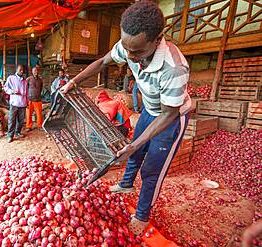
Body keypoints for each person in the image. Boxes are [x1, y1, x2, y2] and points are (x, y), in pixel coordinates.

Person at [61, 0, 191, 235]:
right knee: (134, 153)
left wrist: (136, 142)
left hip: (170, 118)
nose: (130, 56)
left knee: (151, 169)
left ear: (157, 38)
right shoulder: (129, 46)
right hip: (150, 111)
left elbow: (169, 113)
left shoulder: (174, 68)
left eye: (138, 51)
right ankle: (125, 185)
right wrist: (74, 81)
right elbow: (102, 61)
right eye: (127, 49)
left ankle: (142, 215)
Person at [4, 64, 28, 143]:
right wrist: (12, 92)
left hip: (23, 104)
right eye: (20, 69)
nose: (22, 71)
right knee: (12, 120)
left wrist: (26, 101)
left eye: (22, 70)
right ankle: (10, 136)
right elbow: (6, 88)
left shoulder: (25, 81)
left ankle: (17, 132)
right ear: (16, 70)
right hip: (14, 104)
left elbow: (26, 92)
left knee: (21, 121)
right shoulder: (11, 78)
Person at [26, 67, 43, 131]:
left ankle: (40, 125)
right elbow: (26, 89)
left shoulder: (40, 80)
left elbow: (41, 88)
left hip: (38, 99)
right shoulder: (29, 79)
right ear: (32, 72)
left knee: (39, 114)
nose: (36, 71)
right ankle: (28, 126)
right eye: (34, 70)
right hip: (30, 99)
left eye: (37, 70)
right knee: (29, 114)